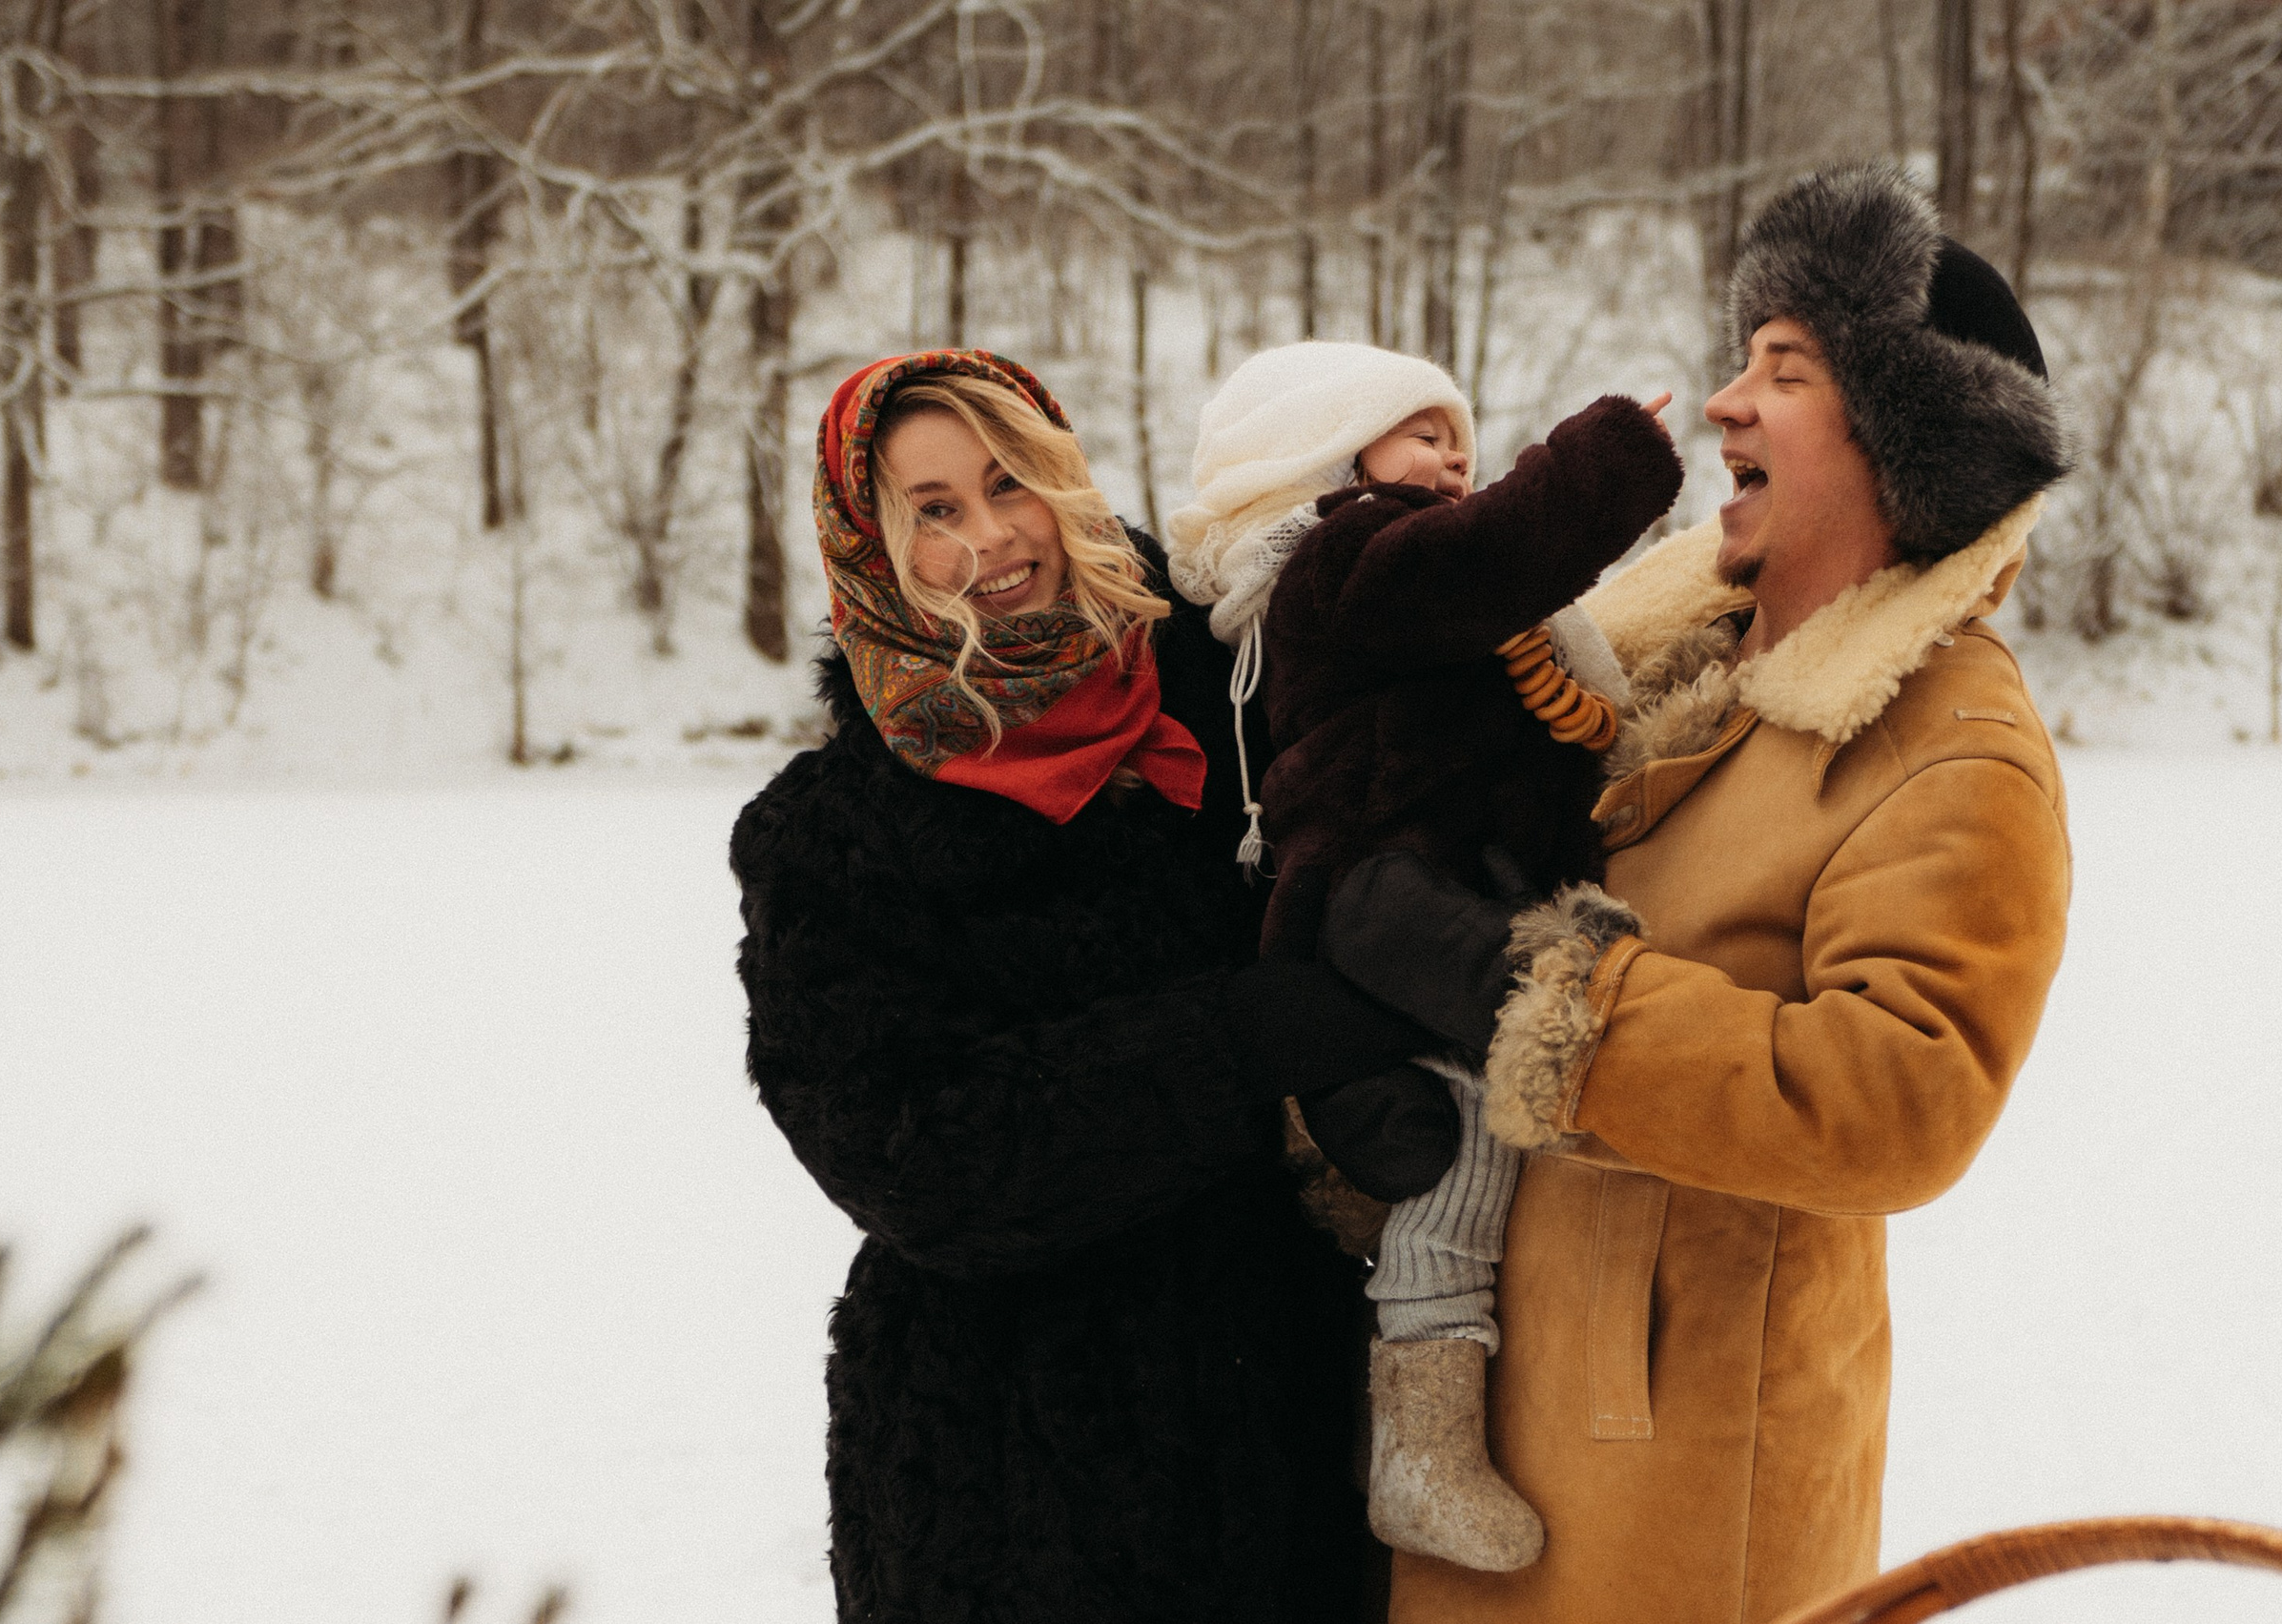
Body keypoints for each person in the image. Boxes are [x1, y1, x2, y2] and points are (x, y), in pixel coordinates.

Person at [1320, 163, 2075, 1623]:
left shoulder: (1950, 744)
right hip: (1496, 1390)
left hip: (1684, 1461)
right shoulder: (1646, 671)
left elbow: (1899, 1098)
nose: (1724, 403)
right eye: (1738, 362)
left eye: (1780, 372)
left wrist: (1524, 991)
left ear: (1907, 446)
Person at [730, 349, 1455, 1623]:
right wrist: (1243, 1039)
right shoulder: (830, 840)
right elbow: (918, 1163)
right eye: (935, 509)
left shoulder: (1225, 689)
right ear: (872, 545)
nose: (994, 537)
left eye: (1011, 483)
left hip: (1275, 1407)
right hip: (999, 1472)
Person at [1165, 341, 1683, 1574]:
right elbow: (1491, 553)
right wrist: (1605, 456)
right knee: (1507, 1102)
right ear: (1330, 457)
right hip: (1381, 901)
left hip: (1443, 896)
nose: (1453, 458)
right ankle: (1422, 1449)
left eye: (1460, 437)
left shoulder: (1438, 599)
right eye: (1420, 437)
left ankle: (1413, 1443)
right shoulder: (1352, 557)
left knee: (1475, 1150)